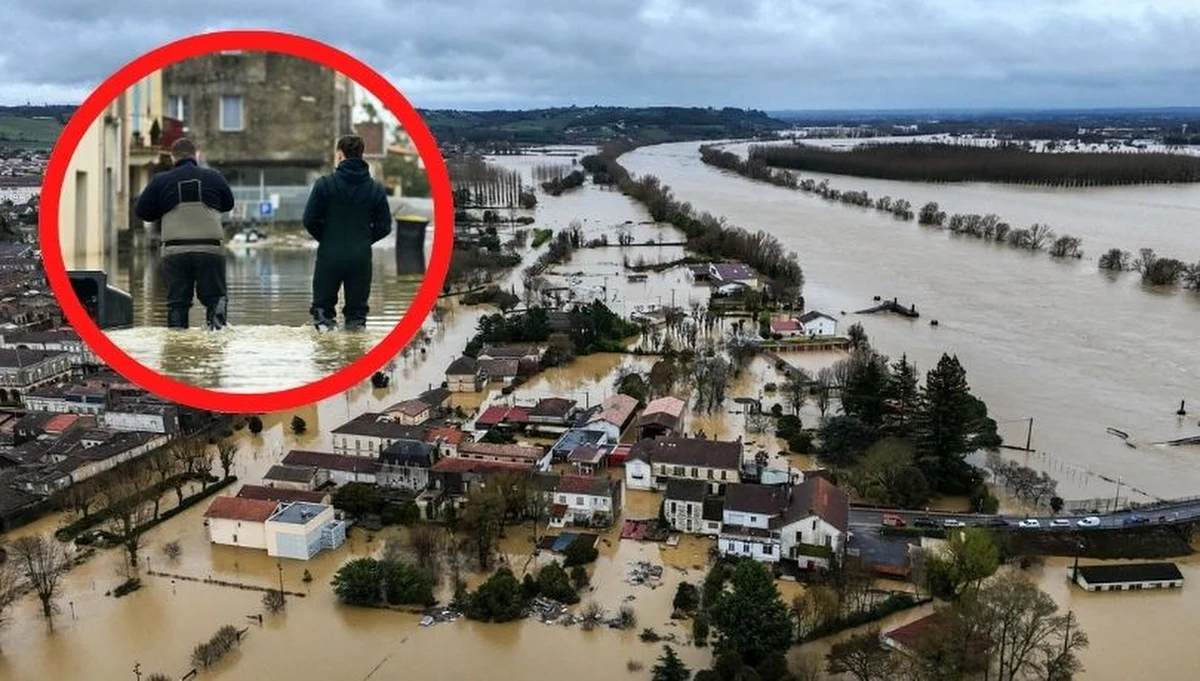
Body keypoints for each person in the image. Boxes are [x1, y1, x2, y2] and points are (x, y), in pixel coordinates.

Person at [134, 138, 235, 330]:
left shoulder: (160, 180)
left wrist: (162, 210)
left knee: (177, 303)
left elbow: (142, 212)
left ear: (173, 158)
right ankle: (217, 338)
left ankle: (177, 345)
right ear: (195, 156)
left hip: (175, 251)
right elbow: (228, 204)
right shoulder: (214, 177)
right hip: (210, 249)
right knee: (216, 299)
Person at [302, 135, 393, 332]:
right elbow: (385, 226)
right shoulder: (375, 189)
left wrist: (327, 237)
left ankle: (326, 358)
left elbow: (309, 220)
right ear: (361, 155)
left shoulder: (324, 185)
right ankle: (354, 352)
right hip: (360, 258)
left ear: (339, 155)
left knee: (323, 312)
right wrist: (363, 239)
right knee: (357, 316)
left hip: (329, 256)